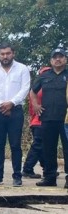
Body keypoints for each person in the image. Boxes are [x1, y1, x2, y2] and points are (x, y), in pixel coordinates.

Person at [0, 42, 30, 186]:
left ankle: (17, 176)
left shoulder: (22, 69)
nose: (5, 56)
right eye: (2, 54)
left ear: (13, 53)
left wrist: (11, 103)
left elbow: (25, 89)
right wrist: (0, 104)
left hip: (15, 111)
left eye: (8, 53)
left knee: (15, 144)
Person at [30, 47, 68, 188]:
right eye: (55, 57)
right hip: (47, 118)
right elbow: (33, 92)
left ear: (65, 59)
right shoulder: (44, 76)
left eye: (61, 56)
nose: (58, 59)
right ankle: (50, 177)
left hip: (65, 120)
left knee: (67, 148)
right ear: (51, 60)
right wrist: (35, 105)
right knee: (48, 148)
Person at [22, 67, 51, 179]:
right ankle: (27, 168)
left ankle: (47, 168)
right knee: (38, 145)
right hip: (41, 121)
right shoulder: (44, 89)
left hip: (35, 121)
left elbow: (30, 108)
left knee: (42, 146)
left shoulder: (35, 89)